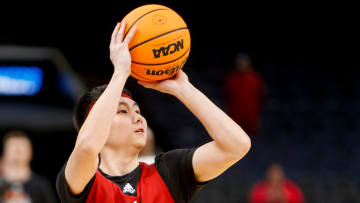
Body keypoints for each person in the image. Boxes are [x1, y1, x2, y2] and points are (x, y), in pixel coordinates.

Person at [56, 22, 251, 203]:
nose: (138, 117)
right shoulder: (82, 179)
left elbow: (236, 145)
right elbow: (87, 147)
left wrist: (183, 88)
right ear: (99, 124)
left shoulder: (169, 172)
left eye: (138, 110)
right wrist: (121, 73)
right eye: (122, 111)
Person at [0, 130, 58, 203]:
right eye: (13, 148)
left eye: (22, 148)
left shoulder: (41, 186)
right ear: (4, 153)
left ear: (30, 153)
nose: (18, 151)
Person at [224, 53, 265, 137]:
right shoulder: (232, 78)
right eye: (239, 63)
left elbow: (261, 96)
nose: (241, 65)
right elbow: (227, 95)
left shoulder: (255, 78)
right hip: (235, 114)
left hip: (251, 114)